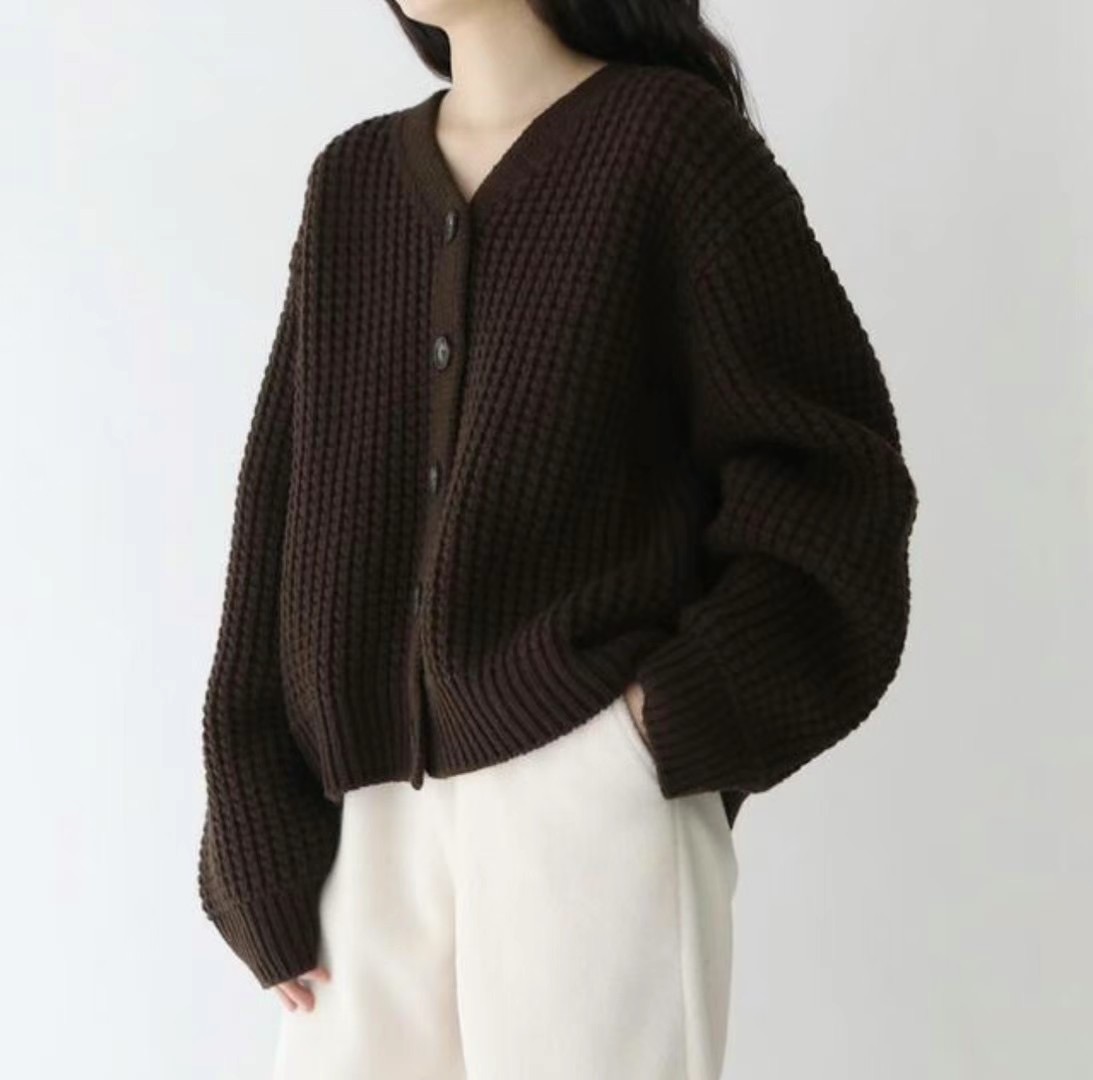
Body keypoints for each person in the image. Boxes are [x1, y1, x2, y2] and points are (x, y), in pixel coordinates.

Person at [196, 2, 918, 1077]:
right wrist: (255, 825)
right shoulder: (351, 184)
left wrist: (659, 724)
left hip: (582, 797)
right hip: (362, 828)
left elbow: (830, 484)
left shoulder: (668, 143)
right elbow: (276, 525)